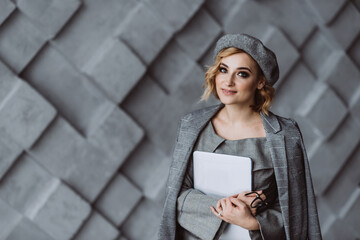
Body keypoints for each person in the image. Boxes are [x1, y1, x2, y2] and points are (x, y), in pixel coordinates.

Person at [158, 33, 322, 240]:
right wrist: (227, 207)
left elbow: (296, 214)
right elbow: (177, 196)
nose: (228, 81)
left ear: (260, 82)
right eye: (223, 70)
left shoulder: (285, 135)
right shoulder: (191, 126)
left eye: (242, 74)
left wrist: (251, 222)